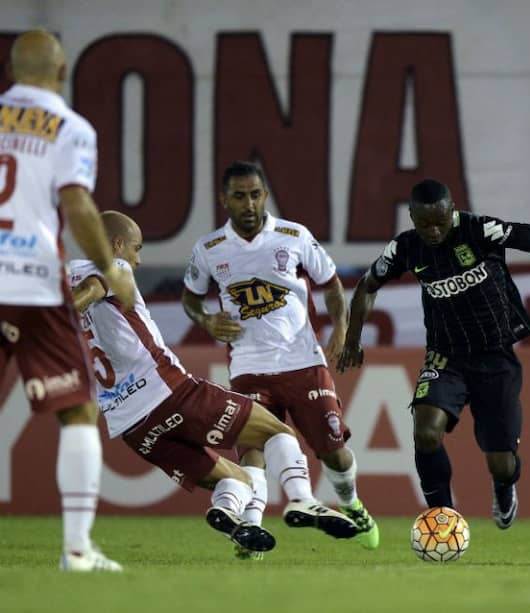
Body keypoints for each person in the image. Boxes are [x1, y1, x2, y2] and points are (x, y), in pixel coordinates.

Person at [337, 178, 530, 528]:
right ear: (412, 217)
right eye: (424, 224)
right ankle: (442, 519)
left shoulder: (481, 230)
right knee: (426, 432)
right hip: (445, 356)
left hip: (495, 356)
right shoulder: (405, 248)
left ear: (452, 210)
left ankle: (504, 486)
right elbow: (367, 286)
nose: (433, 231)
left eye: (440, 222)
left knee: (501, 463)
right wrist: (353, 339)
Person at [70, 211, 361, 558]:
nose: (138, 259)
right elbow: (93, 287)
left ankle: (230, 516)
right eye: (136, 248)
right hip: (169, 393)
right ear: (117, 245)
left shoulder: (64, 276)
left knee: (237, 480)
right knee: (277, 432)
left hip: (131, 426)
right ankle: (303, 499)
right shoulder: (115, 267)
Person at [182, 160, 378, 556]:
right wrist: (205, 320)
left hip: (302, 361)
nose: (249, 204)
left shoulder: (293, 236)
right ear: (224, 200)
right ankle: (250, 532)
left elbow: (330, 283)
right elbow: (191, 298)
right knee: (252, 449)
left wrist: (340, 328)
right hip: (248, 367)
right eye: (239, 196)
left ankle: (352, 504)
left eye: (255, 195)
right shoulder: (209, 250)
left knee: (334, 452)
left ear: (265, 195)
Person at [0, 30, 137, 572]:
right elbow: (77, 203)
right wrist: (108, 267)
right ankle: (77, 549)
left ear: (11, 71)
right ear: (62, 70)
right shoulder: (70, 128)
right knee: (78, 408)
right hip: (33, 281)